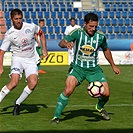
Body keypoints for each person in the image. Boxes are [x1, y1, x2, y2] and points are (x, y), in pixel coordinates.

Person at [51, 12, 121, 124]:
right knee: (68, 90)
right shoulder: (77, 33)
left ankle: (99, 107)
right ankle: (56, 117)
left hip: (94, 69)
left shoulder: (100, 36)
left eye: (95, 26)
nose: (93, 29)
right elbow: (61, 42)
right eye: (90, 26)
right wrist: (66, 44)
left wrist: (113, 65)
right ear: (84, 23)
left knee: (106, 93)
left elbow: (106, 50)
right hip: (78, 68)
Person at [0, 9, 47, 115]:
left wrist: (44, 49)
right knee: (14, 83)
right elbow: (2, 51)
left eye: (20, 18)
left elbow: (41, 33)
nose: (18, 21)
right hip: (18, 59)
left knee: (33, 83)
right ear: (11, 19)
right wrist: (1, 67)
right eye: (16, 19)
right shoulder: (10, 34)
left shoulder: (31, 27)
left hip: (30, 59)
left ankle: (18, 103)